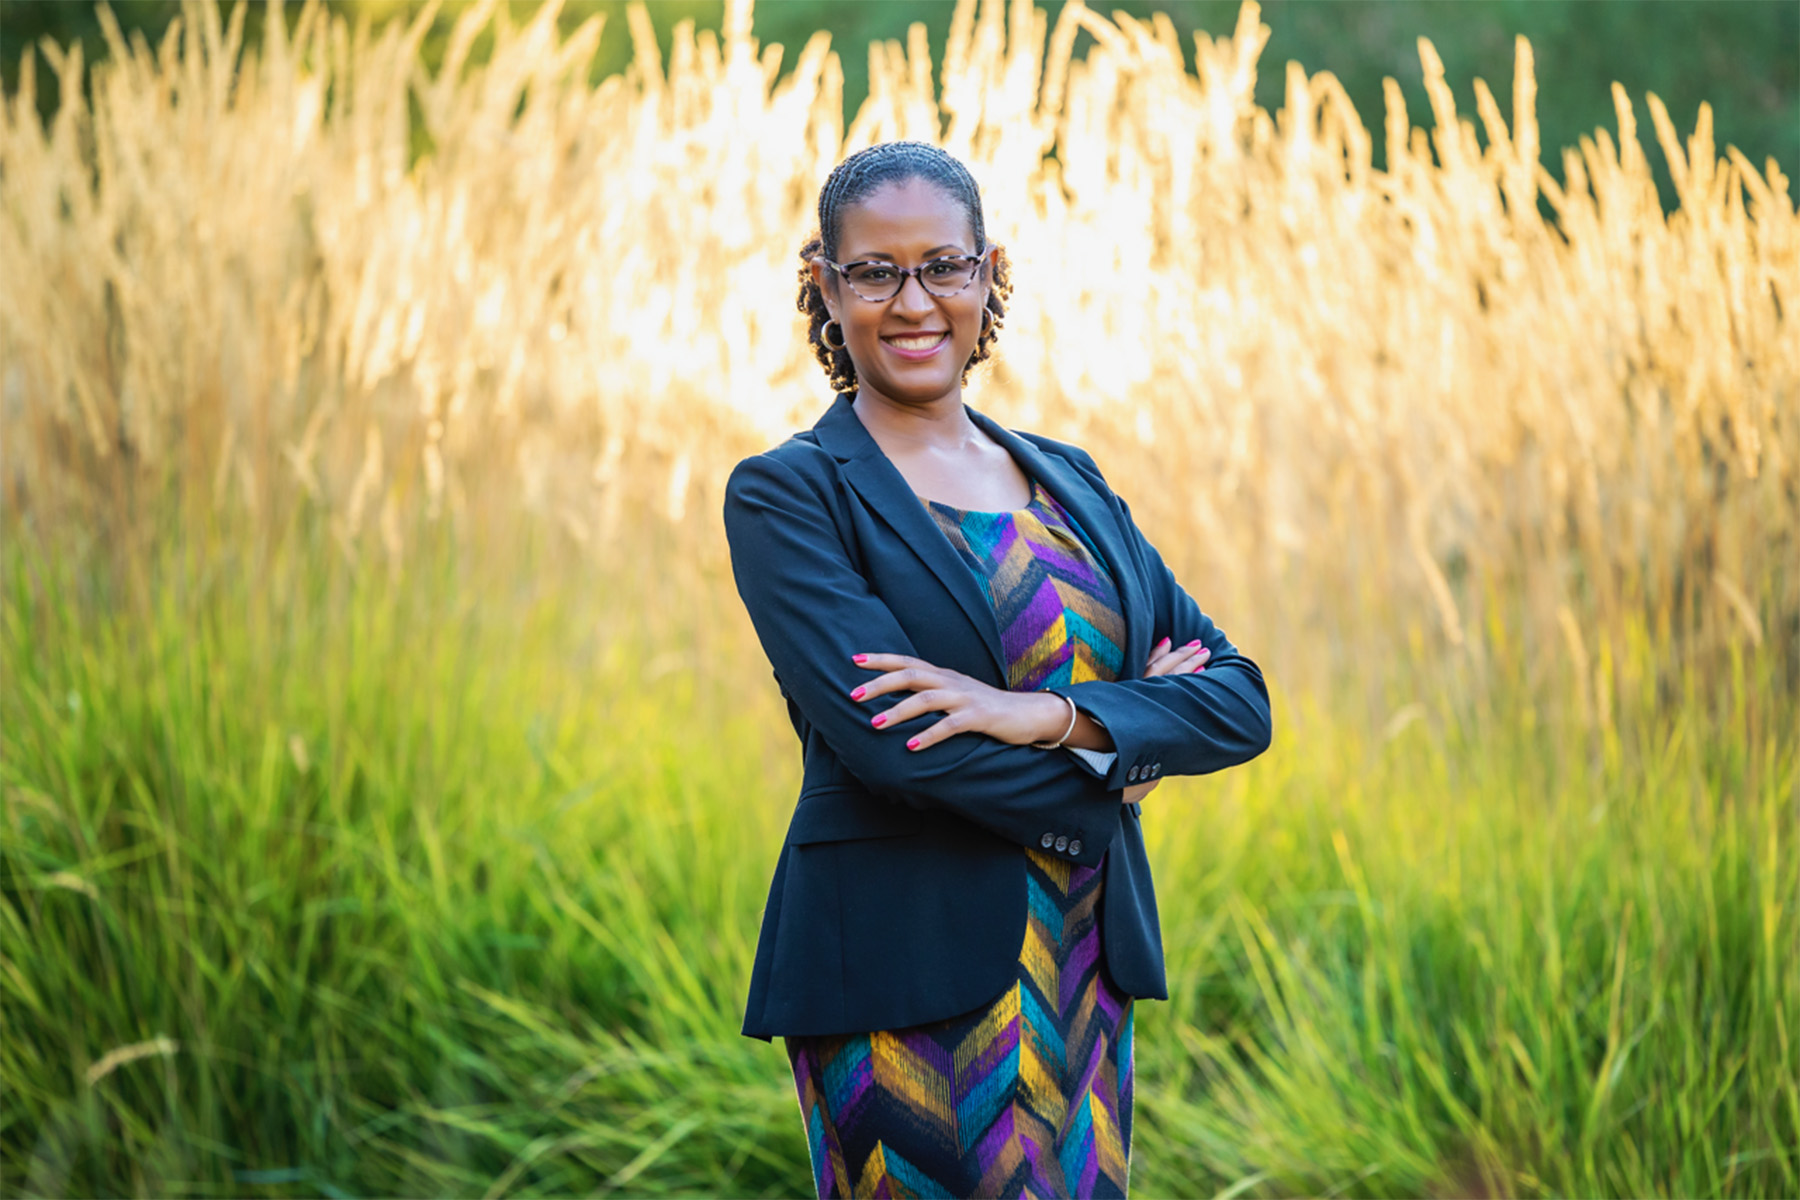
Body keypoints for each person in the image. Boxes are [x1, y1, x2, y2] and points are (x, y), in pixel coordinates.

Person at [721, 141, 1272, 1200]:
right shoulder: (792, 496)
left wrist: (1049, 719)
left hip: (1077, 973)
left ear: (988, 274)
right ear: (826, 288)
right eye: (875, 271)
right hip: (901, 989)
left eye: (944, 265)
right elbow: (901, 752)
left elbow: (1238, 698)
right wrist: (1118, 764)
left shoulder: (1072, 483)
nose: (913, 300)